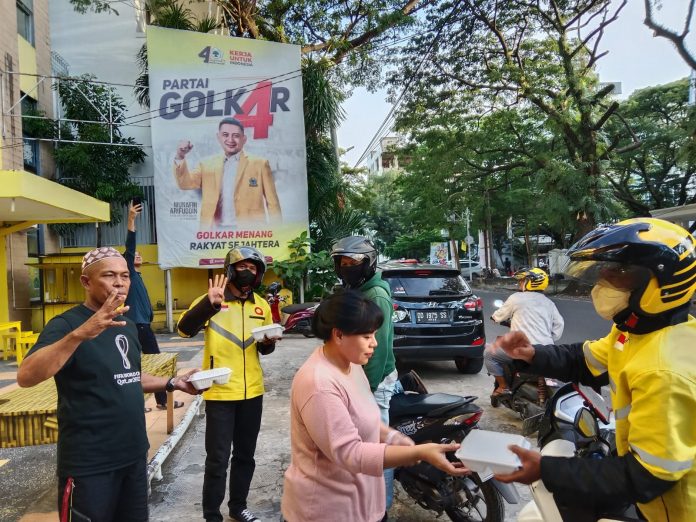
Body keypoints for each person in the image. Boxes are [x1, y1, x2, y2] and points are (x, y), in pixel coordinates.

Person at [492, 218, 696, 521]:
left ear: (659, 285)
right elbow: (585, 359)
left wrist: (546, 469)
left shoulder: (662, 371)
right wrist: (531, 353)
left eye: (620, 273)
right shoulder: (640, 332)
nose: (604, 280)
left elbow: (645, 477)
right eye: (605, 271)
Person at [16, 247, 200, 522]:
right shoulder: (66, 324)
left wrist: (173, 382)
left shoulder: (125, 323)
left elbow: (127, 376)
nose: (120, 282)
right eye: (109, 275)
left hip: (134, 455)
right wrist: (79, 335)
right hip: (89, 466)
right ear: (86, 282)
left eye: (125, 276)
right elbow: (26, 376)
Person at [281, 290, 467, 522]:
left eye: (375, 335)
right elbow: (350, 453)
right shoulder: (319, 383)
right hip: (328, 510)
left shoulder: (351, 365)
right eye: (367, 336)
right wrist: (418, 453)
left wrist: (396, 440)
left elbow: (364, 419)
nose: (375, 343)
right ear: (338, 335)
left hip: (364, 504)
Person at [177, 247, 279, 522]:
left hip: (252, 391)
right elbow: (184, 330)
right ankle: (212, 515)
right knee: (217, 460)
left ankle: (238, 507)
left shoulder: (261, 305)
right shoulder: (213, 300)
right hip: (220, 391)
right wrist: (208, 305)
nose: (250, 272)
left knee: (245, 455)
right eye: (243, 267)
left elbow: (264, 350)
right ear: (231, 270)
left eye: (254, 268)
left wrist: (268, 343)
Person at [331, 236, 414, 517]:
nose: (346, 267)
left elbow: (377, 351)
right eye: (341, 262)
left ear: (368, 263)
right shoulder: (357, 288)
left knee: (378, 449)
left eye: (352, 262)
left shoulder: (375, 294)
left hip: (374, 382)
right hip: (360, 377)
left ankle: (382, 508)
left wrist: (364, 389)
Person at [124, 201, 183, 411]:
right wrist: (131, 219)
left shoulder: (137, 276)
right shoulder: (129, 273)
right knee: (150, 365)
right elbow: (129, 248)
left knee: (140, 365)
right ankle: (159, 401)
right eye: (134, 255)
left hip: (141, 326)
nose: (137, 255)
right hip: (137, 326)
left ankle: (158, 401)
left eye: (140, 254)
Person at [173, 117, 281, 228]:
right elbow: (185, 183)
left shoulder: (260, 164)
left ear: (244, 139)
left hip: (250, 232)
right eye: (225, 135)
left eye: (236, 136)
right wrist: (180, 156)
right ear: (218, 137)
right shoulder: (205, 165)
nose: (230, 140)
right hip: (215, 234)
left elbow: (273, 203)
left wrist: (277, 232)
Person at [484, 267, 564, 399]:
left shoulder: (516, 298)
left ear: (529, 282)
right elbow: (559, 326)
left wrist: (495, 318)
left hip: (522, 350)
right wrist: (547, 338)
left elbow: (499, 316)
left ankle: (503, 387)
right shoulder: (549, 303)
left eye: (522, 281)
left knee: (489, 355)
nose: (519, 283)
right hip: (547, 350)